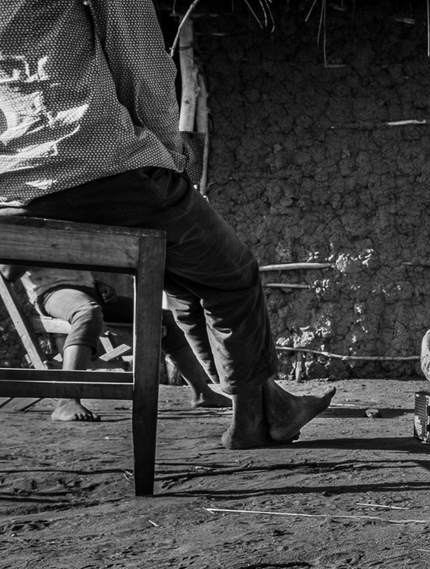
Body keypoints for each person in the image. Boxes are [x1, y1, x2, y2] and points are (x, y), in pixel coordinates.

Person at [0, 0, 332, 448]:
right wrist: (172, 158)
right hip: (101, 168)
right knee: (233, 275)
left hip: (15, 193)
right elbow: (140, 62)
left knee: (182, 279)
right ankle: (250, 422)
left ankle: (270, 401)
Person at [0, 265, 230, 420]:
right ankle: (66, 400)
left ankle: (202, 393)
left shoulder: (66, 214)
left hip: (91, 292)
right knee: (87, 313)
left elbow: (76, 270)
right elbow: (8, 272)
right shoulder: (20, 217)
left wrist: (98, 283)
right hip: (52, 293)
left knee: (164, 319)